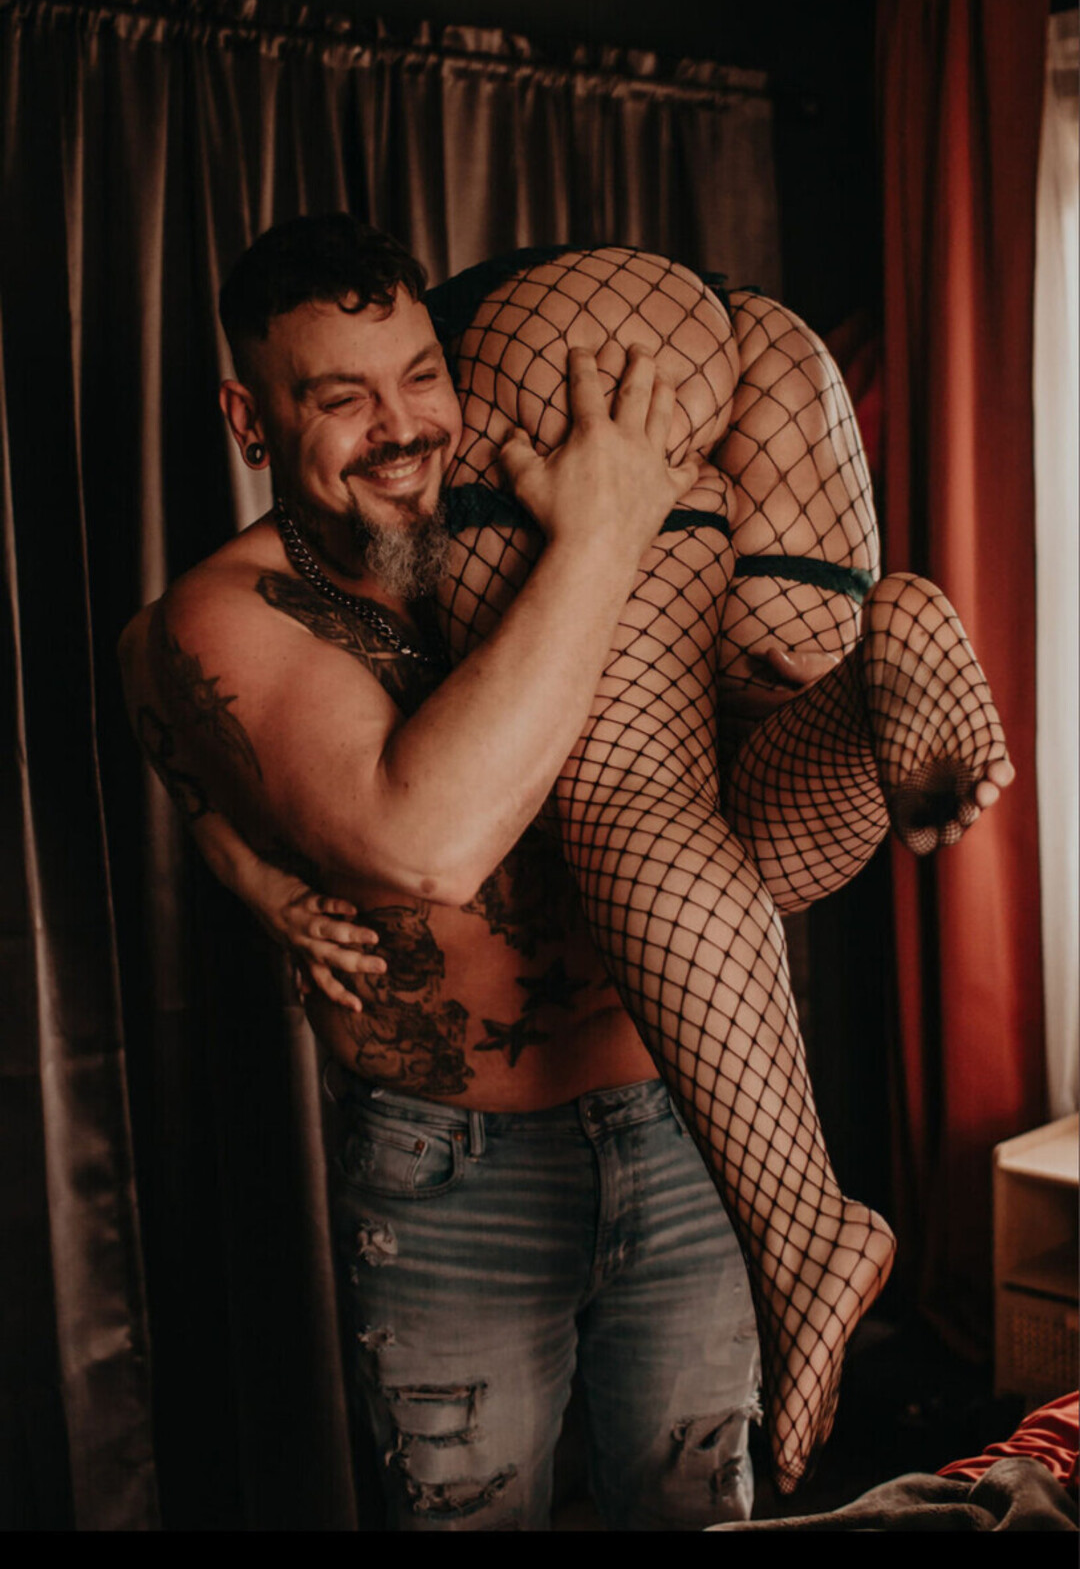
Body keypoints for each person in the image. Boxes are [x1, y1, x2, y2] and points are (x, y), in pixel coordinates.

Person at [121, 219, 1012, 1520]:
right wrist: (249, 872)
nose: (404, 427)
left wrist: (608, 523)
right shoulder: (236, 612)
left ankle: (872, 678)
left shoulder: (530, 503)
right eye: (342, 398)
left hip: (693, 1113)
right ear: (250, 421)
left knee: (694, 1511)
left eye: (422, 374)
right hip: (455, 1171)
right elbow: (385, 823)